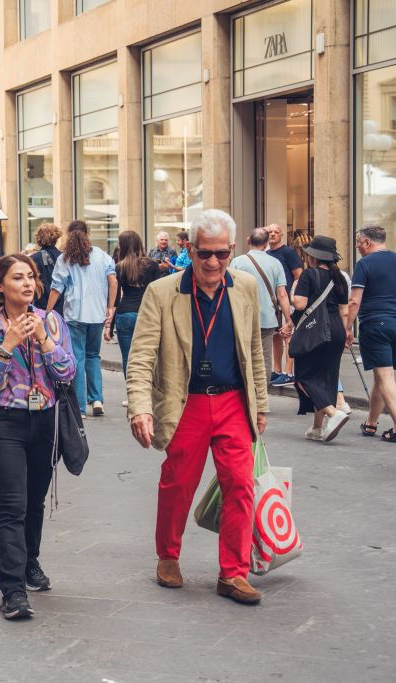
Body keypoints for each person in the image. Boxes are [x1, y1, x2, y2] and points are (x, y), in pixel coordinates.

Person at [126, 209, 269, 606]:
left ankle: (234, 573)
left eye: (221, 254)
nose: (212, 263)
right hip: (185, 402)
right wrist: (140, 407)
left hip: (232, 401)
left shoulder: (245, 287)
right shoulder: (163, 292)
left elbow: (254, 351)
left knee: (241, 485)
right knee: (177, 484)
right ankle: (168, 556)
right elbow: (140, 357)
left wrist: (261, 404)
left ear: (232, 251)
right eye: (204, 253)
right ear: (189, 249)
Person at [0, 254, 76, 619]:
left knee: (34, 502)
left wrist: (44, 340)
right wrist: (7, 345)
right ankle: (12, 590)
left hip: (45, 422)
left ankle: (31, 561)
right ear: (0, 286)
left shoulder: (53, 322)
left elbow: (67, 372)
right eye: (18, 278)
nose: (28, 283)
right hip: (3, 425)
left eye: (31, 277)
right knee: (11, 507)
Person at [46, 220, 117, 418]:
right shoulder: (102, 256)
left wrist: (47, 311)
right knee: (93, 355)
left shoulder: (65, 259)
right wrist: (110, 307)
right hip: (97, 314)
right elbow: (113, 280)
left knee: (76, 357)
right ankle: (96, 399)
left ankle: (79, 406)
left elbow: (56, 287)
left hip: (74, 314)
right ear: (88, 233)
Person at [290, 236, 350, 442]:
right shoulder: (340, 277)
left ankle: (334, 414)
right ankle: (317, 427)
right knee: (326, 377)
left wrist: (291, 294)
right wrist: (346, 333)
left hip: (314, 331)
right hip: (336, 330)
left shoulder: (309, 274)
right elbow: (344, 311)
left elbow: (299, 304)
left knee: (304, 377)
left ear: (313, 257)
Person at [347, 225, 396, 442]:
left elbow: (354, 300)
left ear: (367, 242)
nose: (357, 246)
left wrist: (348, 328)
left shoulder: (364, 264)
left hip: (376, 323)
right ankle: (371, 423)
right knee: (381, 375)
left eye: (358, 242)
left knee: (385, 376)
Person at [230, 228, 294, 393]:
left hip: (243, 318)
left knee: (244, 356)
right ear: (266, 244)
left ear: (248, 240)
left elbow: (231, 291)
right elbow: (282, 295)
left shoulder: (238, 262)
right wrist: (288, 319)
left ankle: (246, 391)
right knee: (265, 357)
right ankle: (261, 394)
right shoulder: (275, 263)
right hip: (267, 319)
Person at [106, 230, 158, 375]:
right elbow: (158, 294)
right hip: (146, 314)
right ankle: (147, 393)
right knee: (148, 357)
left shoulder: (120, 267)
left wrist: (110, 326)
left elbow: (116, 299)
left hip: (125, 313)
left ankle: (131, 394)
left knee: (127, 357)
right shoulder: (152, 266)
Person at [266, 223, 304, 386]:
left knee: (288, 336)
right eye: (270, 232)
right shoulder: (266, 253)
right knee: (275, 336)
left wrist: (294, 295)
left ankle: (288, 372)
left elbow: (299, 275)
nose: (273, 234)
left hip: (286, 300)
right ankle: (277, 370)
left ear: (281, 235)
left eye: (276, 232)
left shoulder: (288, 252)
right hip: (273, 302)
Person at [30, 223, 64, 316]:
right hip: (62, 307)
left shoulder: (33, 259)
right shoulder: (63, 257)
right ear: (56, 238)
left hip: (40, 306)